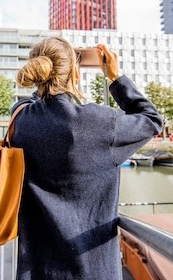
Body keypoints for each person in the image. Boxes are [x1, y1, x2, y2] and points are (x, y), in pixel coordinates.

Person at [11, 37, 164, 279]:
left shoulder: (21, 120)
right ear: (76, 72)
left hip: (37, 270)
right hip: (94, 270)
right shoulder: (101, 122)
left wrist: (48, 85)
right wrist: (116, 77)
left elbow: (32, 103)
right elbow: (152, 119)